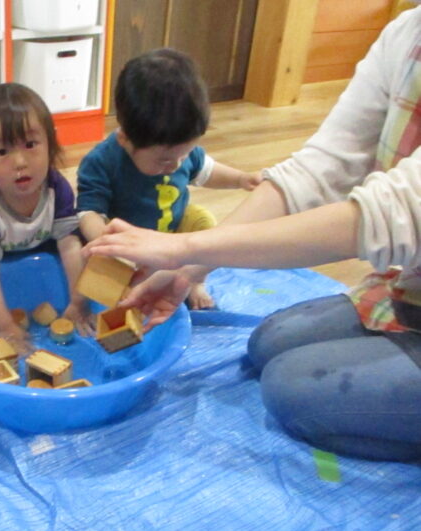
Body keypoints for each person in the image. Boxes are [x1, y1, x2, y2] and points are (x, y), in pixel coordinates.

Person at [83, 7, 421, 462]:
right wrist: (186, 269)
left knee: (288, 391)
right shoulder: (406, 34)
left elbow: (396, 213)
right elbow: (319, 170)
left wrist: (185, 247)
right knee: (267, 345)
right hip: (407, 287)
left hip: (407, 263)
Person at [76, 48, 261, 310]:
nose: (176, 165)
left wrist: (241, 179)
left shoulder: (179, 151)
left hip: (173, 237)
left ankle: (194, 280)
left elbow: (206, 170)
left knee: (203, 222)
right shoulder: (101, 162)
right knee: (103, 269)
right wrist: (107, 239)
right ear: (125, 139)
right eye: (163, 161)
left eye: (183, 155)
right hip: (130, 247)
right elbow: (88, 212)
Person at [0, 83, 92, 351]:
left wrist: (77, 300)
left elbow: (69, 245)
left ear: (50, 144)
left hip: (34, 237)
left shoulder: (56, 187)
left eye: (31, 144)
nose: (20, 162)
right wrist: (4, 326)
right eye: (2, 152)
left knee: (75, 238)